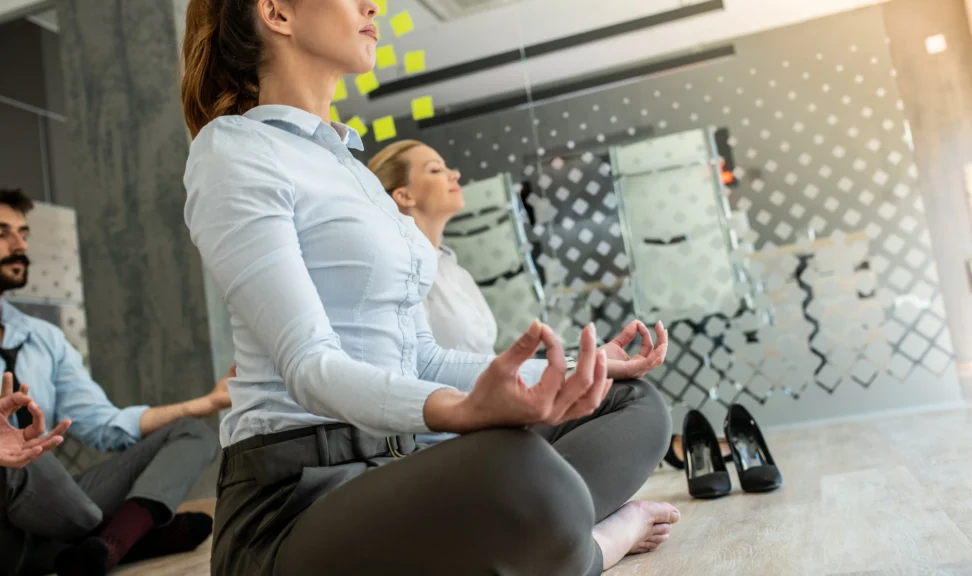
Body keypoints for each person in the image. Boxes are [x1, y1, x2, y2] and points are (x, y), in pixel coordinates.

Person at [181, 1, 679, 574]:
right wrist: (461, 412)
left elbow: (421, 356)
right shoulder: (235, 148)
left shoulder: (351, 169)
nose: (372, 5)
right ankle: (598, 539)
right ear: (276, 13)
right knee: (520, 471)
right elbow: (309, 365)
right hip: (295, 497)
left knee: (632, 403)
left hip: (394, 463)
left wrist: (567, 370)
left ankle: (548, 539)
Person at [0, 188, 231, 576]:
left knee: (193, 433)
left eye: (24, 232)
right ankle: (128, 537)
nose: (20, 243)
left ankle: (107, 545)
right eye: (3, 232)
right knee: (12, 459)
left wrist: (204, 404)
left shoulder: (45, 338)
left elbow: (105, 426)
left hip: (55, 505)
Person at [369, 141, 496, 445]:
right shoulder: (394, 270)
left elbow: (484, 356)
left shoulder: (455, 271)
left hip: (492, 422)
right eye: (436, 170)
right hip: (443, 438)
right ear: (403, 195)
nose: (454, 174)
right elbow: (413, 367)